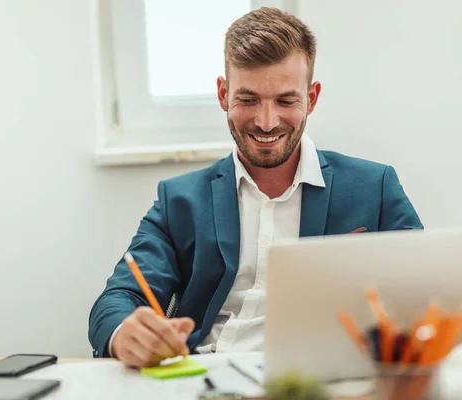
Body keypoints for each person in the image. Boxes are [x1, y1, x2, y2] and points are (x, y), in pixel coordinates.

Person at [88, 7, 422, 368]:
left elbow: (427, 289)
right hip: (206, 375)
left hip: (319, 378)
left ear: (311, 98)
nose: (266, 122)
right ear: (222, 94)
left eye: (285, 100)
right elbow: (118, 298)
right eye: (247, 100)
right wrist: (126, 333)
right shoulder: (179, 201)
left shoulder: (375, 187)